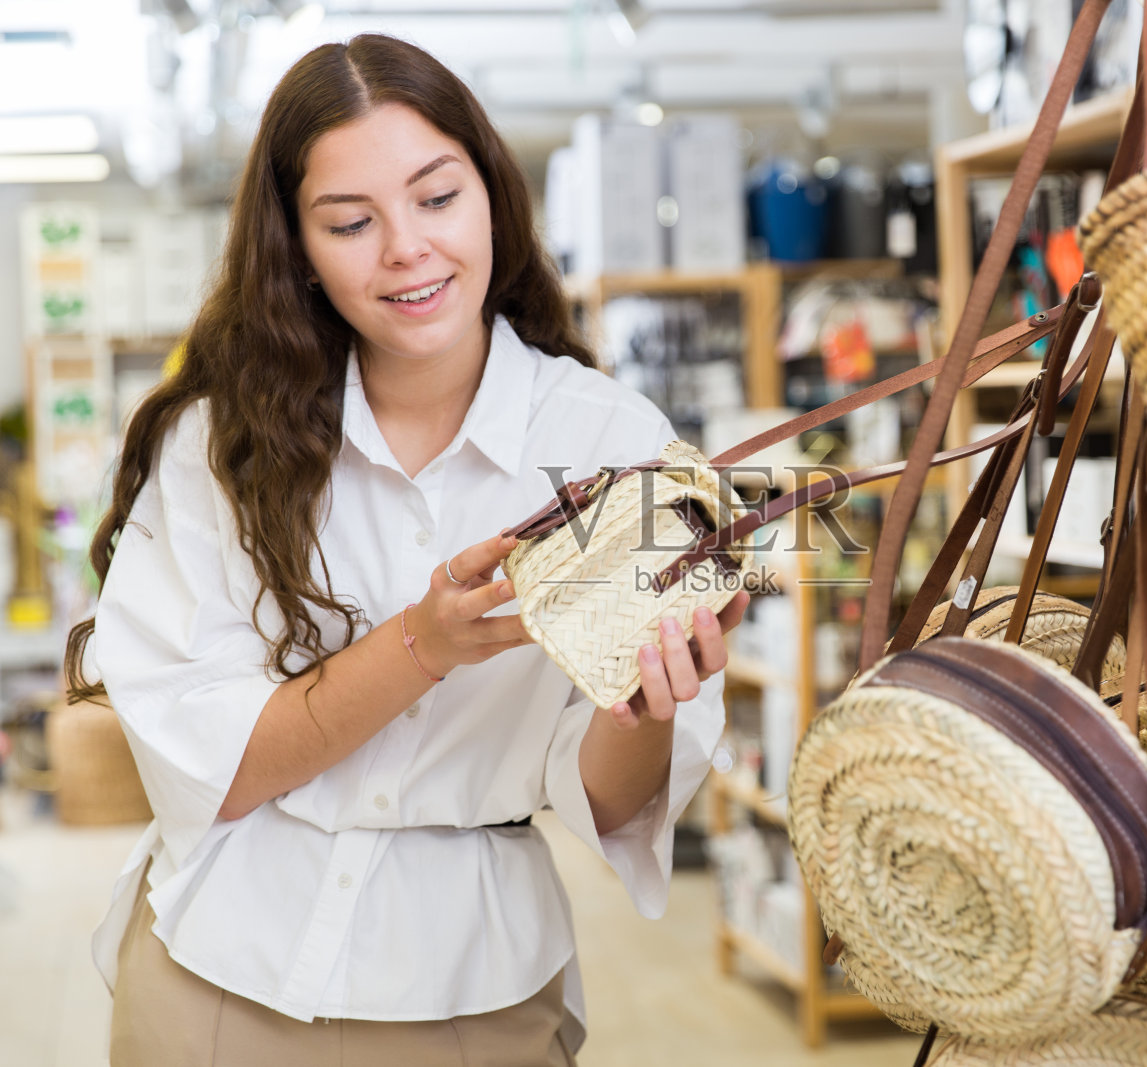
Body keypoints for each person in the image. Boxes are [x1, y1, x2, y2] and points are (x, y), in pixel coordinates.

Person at [65, 33, 746, 1067]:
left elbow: (606, 799)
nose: (407, 249)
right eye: (351, 221)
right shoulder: (216, 444)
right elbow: (214, 762)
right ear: (294, 244)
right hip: (219, 971)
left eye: (437, 198)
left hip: (479, 986)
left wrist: (639, 701)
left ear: (491, 197)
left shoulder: (612, 442)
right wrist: (420, 644)